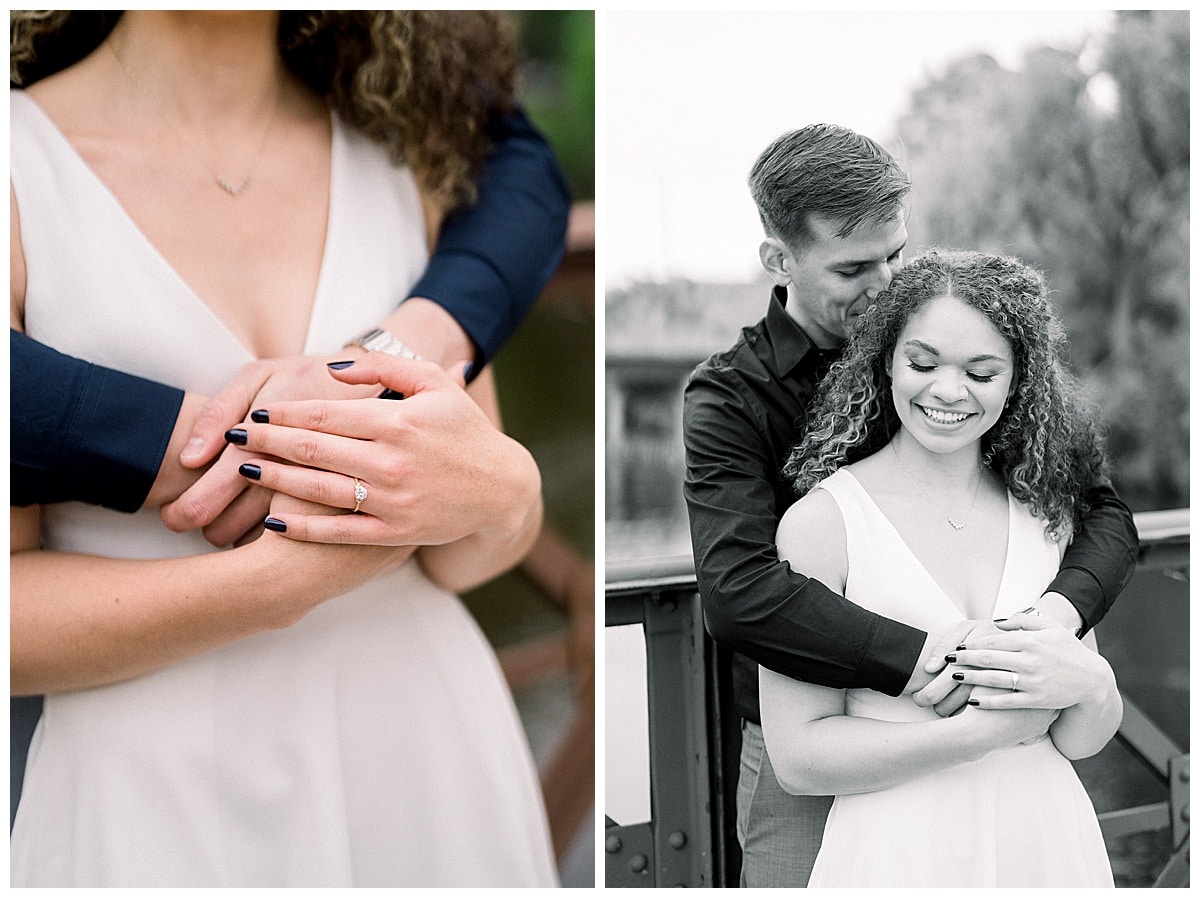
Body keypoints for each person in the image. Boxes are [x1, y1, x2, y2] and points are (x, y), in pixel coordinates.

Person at [10, 10, 557, 886]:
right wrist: (275, 586)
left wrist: (506, 494)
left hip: (427, 748)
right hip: (154, 790)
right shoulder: (16, 167)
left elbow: (465, 557)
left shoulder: (405, 149)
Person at [681, 125, 1138, 886]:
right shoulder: (730, 396)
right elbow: (738, 594)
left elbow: (1102, 515)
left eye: (898, 254)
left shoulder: (942, 347)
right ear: (779, 259)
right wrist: (931, 659)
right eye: (856, 267)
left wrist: (1057, 627)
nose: (888, 282)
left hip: (1005, 766)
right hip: (815, 736)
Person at [760, 249, 1120, 886]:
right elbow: (797, 756)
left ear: (1017, 381)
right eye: (923, 363)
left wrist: (1094, 687)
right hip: (896, 856)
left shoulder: (1046, 511)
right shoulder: (823, 526)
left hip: (1047, 847)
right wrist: (976, 736)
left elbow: (1077, 738)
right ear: (887, 362)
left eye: (981, 373)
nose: (948, 391)